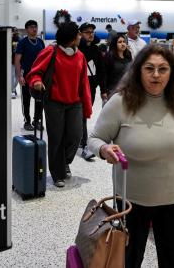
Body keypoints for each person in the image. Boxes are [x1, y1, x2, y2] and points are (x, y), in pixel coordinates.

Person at [88, 45, 174, 268]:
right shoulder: (121, 102)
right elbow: (95, 138)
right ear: (138, 71)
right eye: (149, 68)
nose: (156, 75)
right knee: (128, 259)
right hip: (131, 201)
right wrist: (104, 149)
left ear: (171, 72)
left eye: (163, 69)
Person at [27, 22, 92, 188]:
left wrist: (87, 106)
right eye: (78, 34)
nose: (80, 37)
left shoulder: (80, 56)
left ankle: (64, 162)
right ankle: (57, 174)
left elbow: (84, 82)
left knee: (75, 136)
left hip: (75, 103)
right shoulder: (51, 51)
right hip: (54, 103)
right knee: (56, 139)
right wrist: (36, 82)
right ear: (71, 39)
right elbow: (34, 72)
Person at [78, 22, 107, 161]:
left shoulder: (96, 50)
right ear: (80, 33)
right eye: (87, 32)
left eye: (92, 32)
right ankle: (84, 145)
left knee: (84, 115)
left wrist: (103, 90)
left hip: (92, 88)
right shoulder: (76, 49)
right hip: (77, 89)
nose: (90, 34)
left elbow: (101, 71)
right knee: (81, 115)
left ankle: (80, 140)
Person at [15, 20, 46, 131]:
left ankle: (36, 120)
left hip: (38, 76)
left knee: (39, 99)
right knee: (26, 100)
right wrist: (19, 76)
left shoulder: (41, 42)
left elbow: (45, 59)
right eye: (32, 27)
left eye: (36, 27)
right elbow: (17, 60)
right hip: (26, 75)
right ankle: (27, 121)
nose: (34, 29)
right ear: (27, 29)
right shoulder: (22, 42)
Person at [104, 33, 132, 97]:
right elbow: (104, 75)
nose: (123, 44)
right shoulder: (109, 56)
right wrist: (104, 91)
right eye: (119, 42)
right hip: (112, 91)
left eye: (124, 42)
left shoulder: (128, 55)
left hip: (126, 90)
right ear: (114, 44)